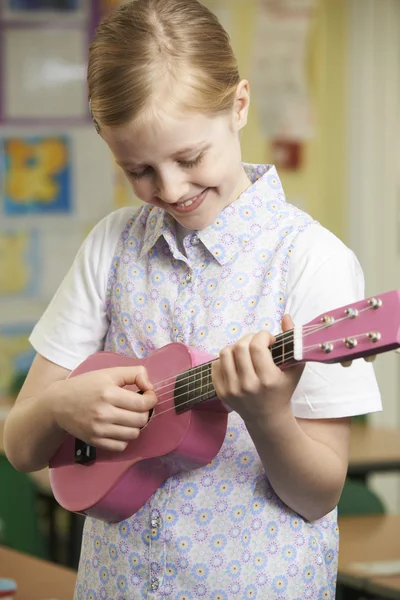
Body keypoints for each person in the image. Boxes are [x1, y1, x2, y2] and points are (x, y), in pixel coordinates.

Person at [4, 1, 382, 598]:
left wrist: (267, 416)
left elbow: (318, 495)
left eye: (189, 158)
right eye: (140, 170)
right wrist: (59, 408)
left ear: (239, 105)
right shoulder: (111, 246)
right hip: (116, 586)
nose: (171, 189)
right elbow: (21, 445)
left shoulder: (314, 261)